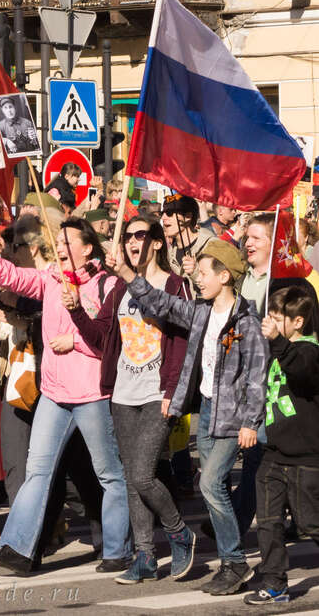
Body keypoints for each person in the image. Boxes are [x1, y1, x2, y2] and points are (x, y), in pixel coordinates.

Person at [0, 218, 132, 576]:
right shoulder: (51, 278)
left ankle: (118, 549)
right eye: (58, 240)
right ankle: (18, 549)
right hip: (53, 394)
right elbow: (13, 277)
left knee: (109, 474)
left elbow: (111, 338)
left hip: (91, 394)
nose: (60, 246)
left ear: (87, 248)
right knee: (37, 471)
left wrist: (76, 340)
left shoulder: (107, 283)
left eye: (68, 241)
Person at [112, 238, 267, 595]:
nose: (196, 279)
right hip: (209, 411)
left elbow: (257, 374)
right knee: (215, 489)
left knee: (210, 485)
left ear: (225, 276)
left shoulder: (247, 320)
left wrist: (249, 421)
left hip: (233, 417)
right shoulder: (201, 312)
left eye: (202, 273)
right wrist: (124, 271)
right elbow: (161, 304)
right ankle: (232, 561)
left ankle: (235, 561)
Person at [64, 216, 195, 583]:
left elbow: (183, 341)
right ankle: (145, 556)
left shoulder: (174, 284)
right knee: (133, 477)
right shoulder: (119, 290)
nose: (133, 242)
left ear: (156, 242)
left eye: (140, 235)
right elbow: (101, 337)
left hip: (157, 393)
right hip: (123, 393)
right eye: (127, 237)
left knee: (141, 474)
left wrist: (172, 390)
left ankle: (180, 531)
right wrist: (76, 310)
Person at [246, 287, 319, 605]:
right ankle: (275, 581)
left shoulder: (309, 350)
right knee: (268, 520)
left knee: (310, 521)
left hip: (306, 456)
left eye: (278, 319)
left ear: (298, 321)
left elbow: (301, 372)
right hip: (275, 453)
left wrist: (276, 340)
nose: (271, 324)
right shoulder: (279, 348)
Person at [161, 194, 214, 294]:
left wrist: (195, 272)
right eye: (162, 213)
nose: (163, 217)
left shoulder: (210, 245)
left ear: (188, 217)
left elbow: (220, 286)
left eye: (169, 213)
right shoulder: (170, 253)